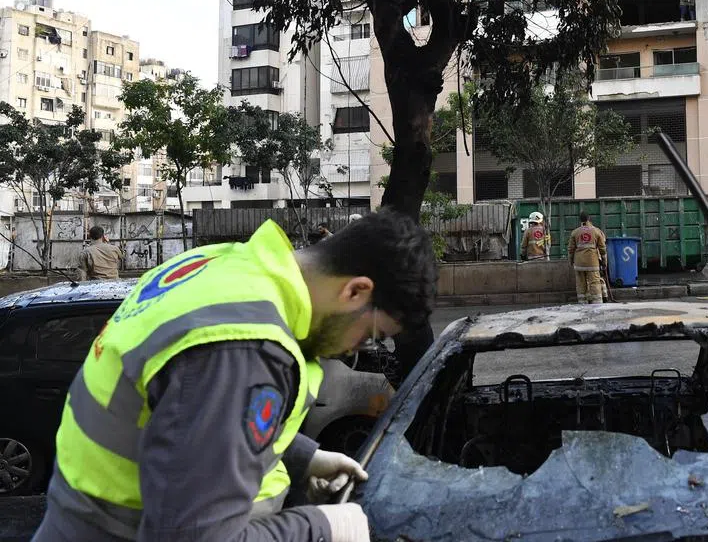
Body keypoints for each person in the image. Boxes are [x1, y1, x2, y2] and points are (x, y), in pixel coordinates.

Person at [33, 210, 437, 542]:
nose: (356, 350)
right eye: (371, 335)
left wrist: (303, 457)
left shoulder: (225, 265)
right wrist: (324, 529)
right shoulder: (245, 348)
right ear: (355, 291)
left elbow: (188, 413)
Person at [567, 212, 607, 304]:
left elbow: (570, 249)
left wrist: (570, 261)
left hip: (579, 263)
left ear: (580, 220)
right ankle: (597, 303)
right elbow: (603, 249)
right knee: (594, 283)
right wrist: (604, 262)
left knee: (581, 284)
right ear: (589, 219)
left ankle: (582, 303)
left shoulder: (575, 232)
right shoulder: (597, 231)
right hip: (592, 262)